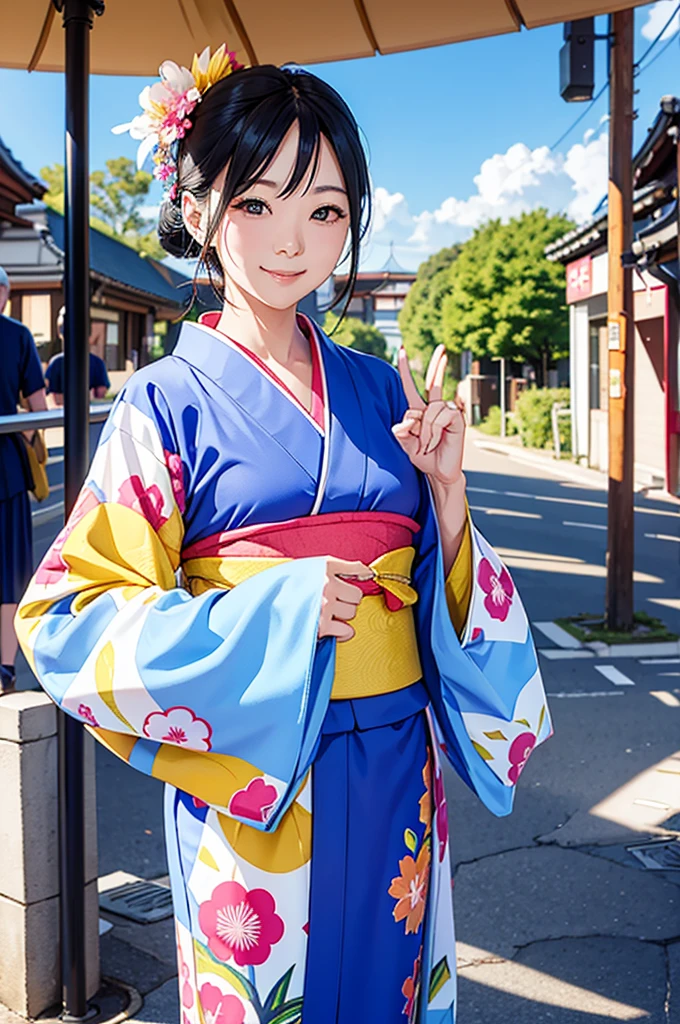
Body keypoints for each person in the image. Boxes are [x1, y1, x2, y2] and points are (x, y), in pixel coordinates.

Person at [16, 50, 551, 1023]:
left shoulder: (380, 389)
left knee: (387, 991)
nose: (290, 241)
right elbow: (65, 616)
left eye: (324, 209)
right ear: (199, 205)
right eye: (255, 203)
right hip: (257, 770)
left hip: (396, 761)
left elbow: (435, 592)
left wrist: (446, 501)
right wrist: (270, 613)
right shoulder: (163, 402)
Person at [0, 266, 47, 693]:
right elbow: (37, 408)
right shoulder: (16, 336)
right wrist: (24, 433)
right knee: (9, 571)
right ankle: (5, 668)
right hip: (6, 468)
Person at [45, 306, 111, 406]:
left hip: (62, 417)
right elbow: (100, 395)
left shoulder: (56, 362)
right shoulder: (97, 363)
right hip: (91, 415)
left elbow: (56, 399)